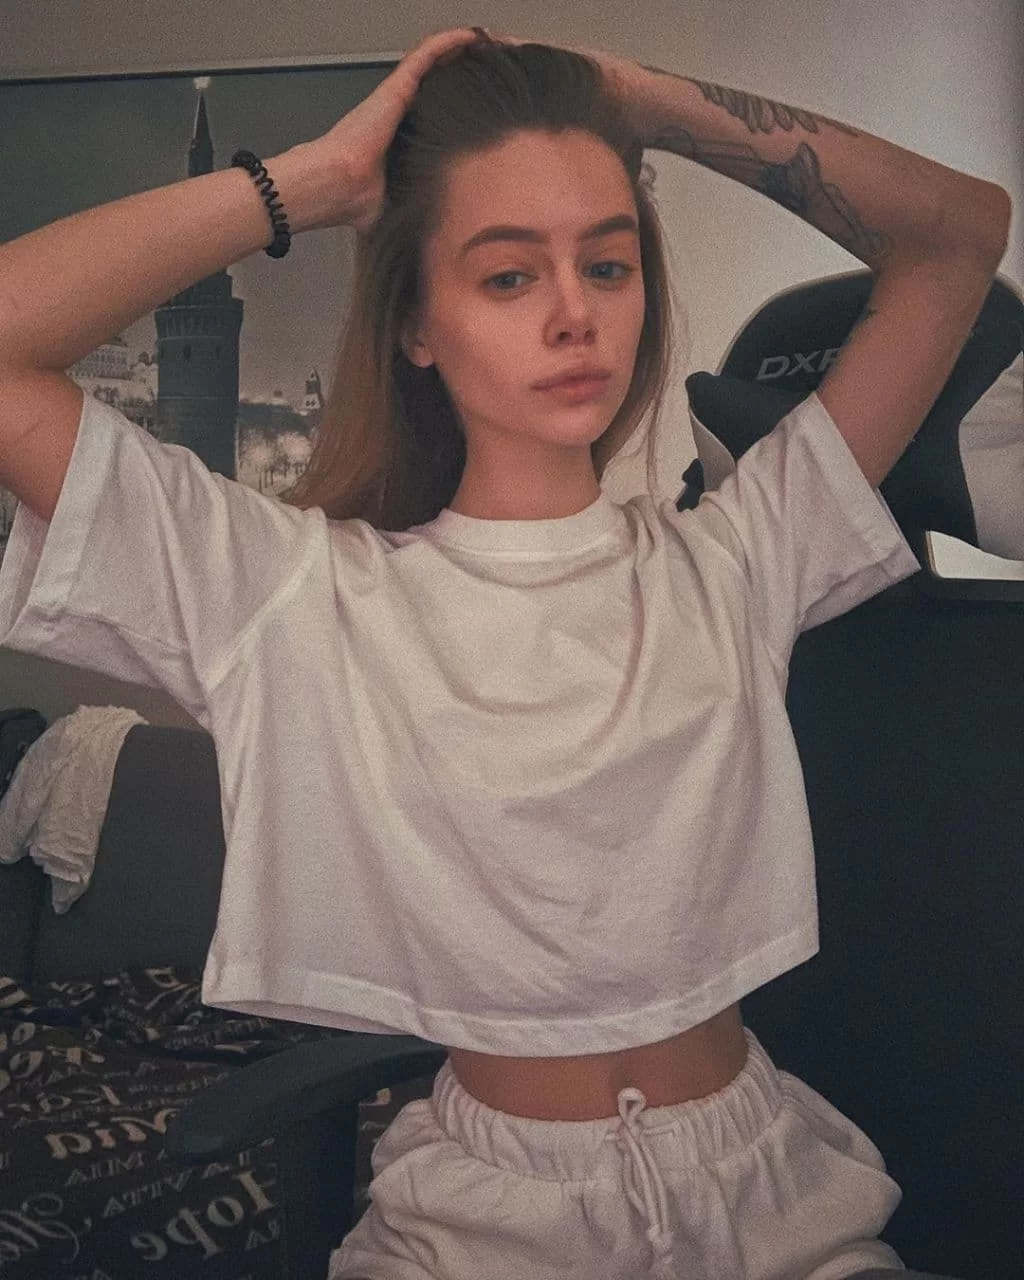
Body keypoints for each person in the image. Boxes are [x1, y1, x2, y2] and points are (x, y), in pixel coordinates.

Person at [0, 25, 1010, 1280]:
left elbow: (959, 236)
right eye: (508, 276)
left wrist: (634, 100)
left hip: (779, 1201)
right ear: (416, 322)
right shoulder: (295, 593)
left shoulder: (744, 556)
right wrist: (314, 181)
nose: (576, 313)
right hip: (479, 1227)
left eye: (608, 262)